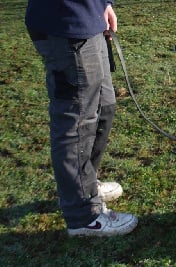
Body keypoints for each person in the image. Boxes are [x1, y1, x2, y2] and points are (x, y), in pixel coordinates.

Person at [25, 0, 138, 237]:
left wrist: (103, 4)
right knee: (77, 122)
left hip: (89, 18)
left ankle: (87, 184)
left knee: (104, 107)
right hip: (66, 24)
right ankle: (83, 214)